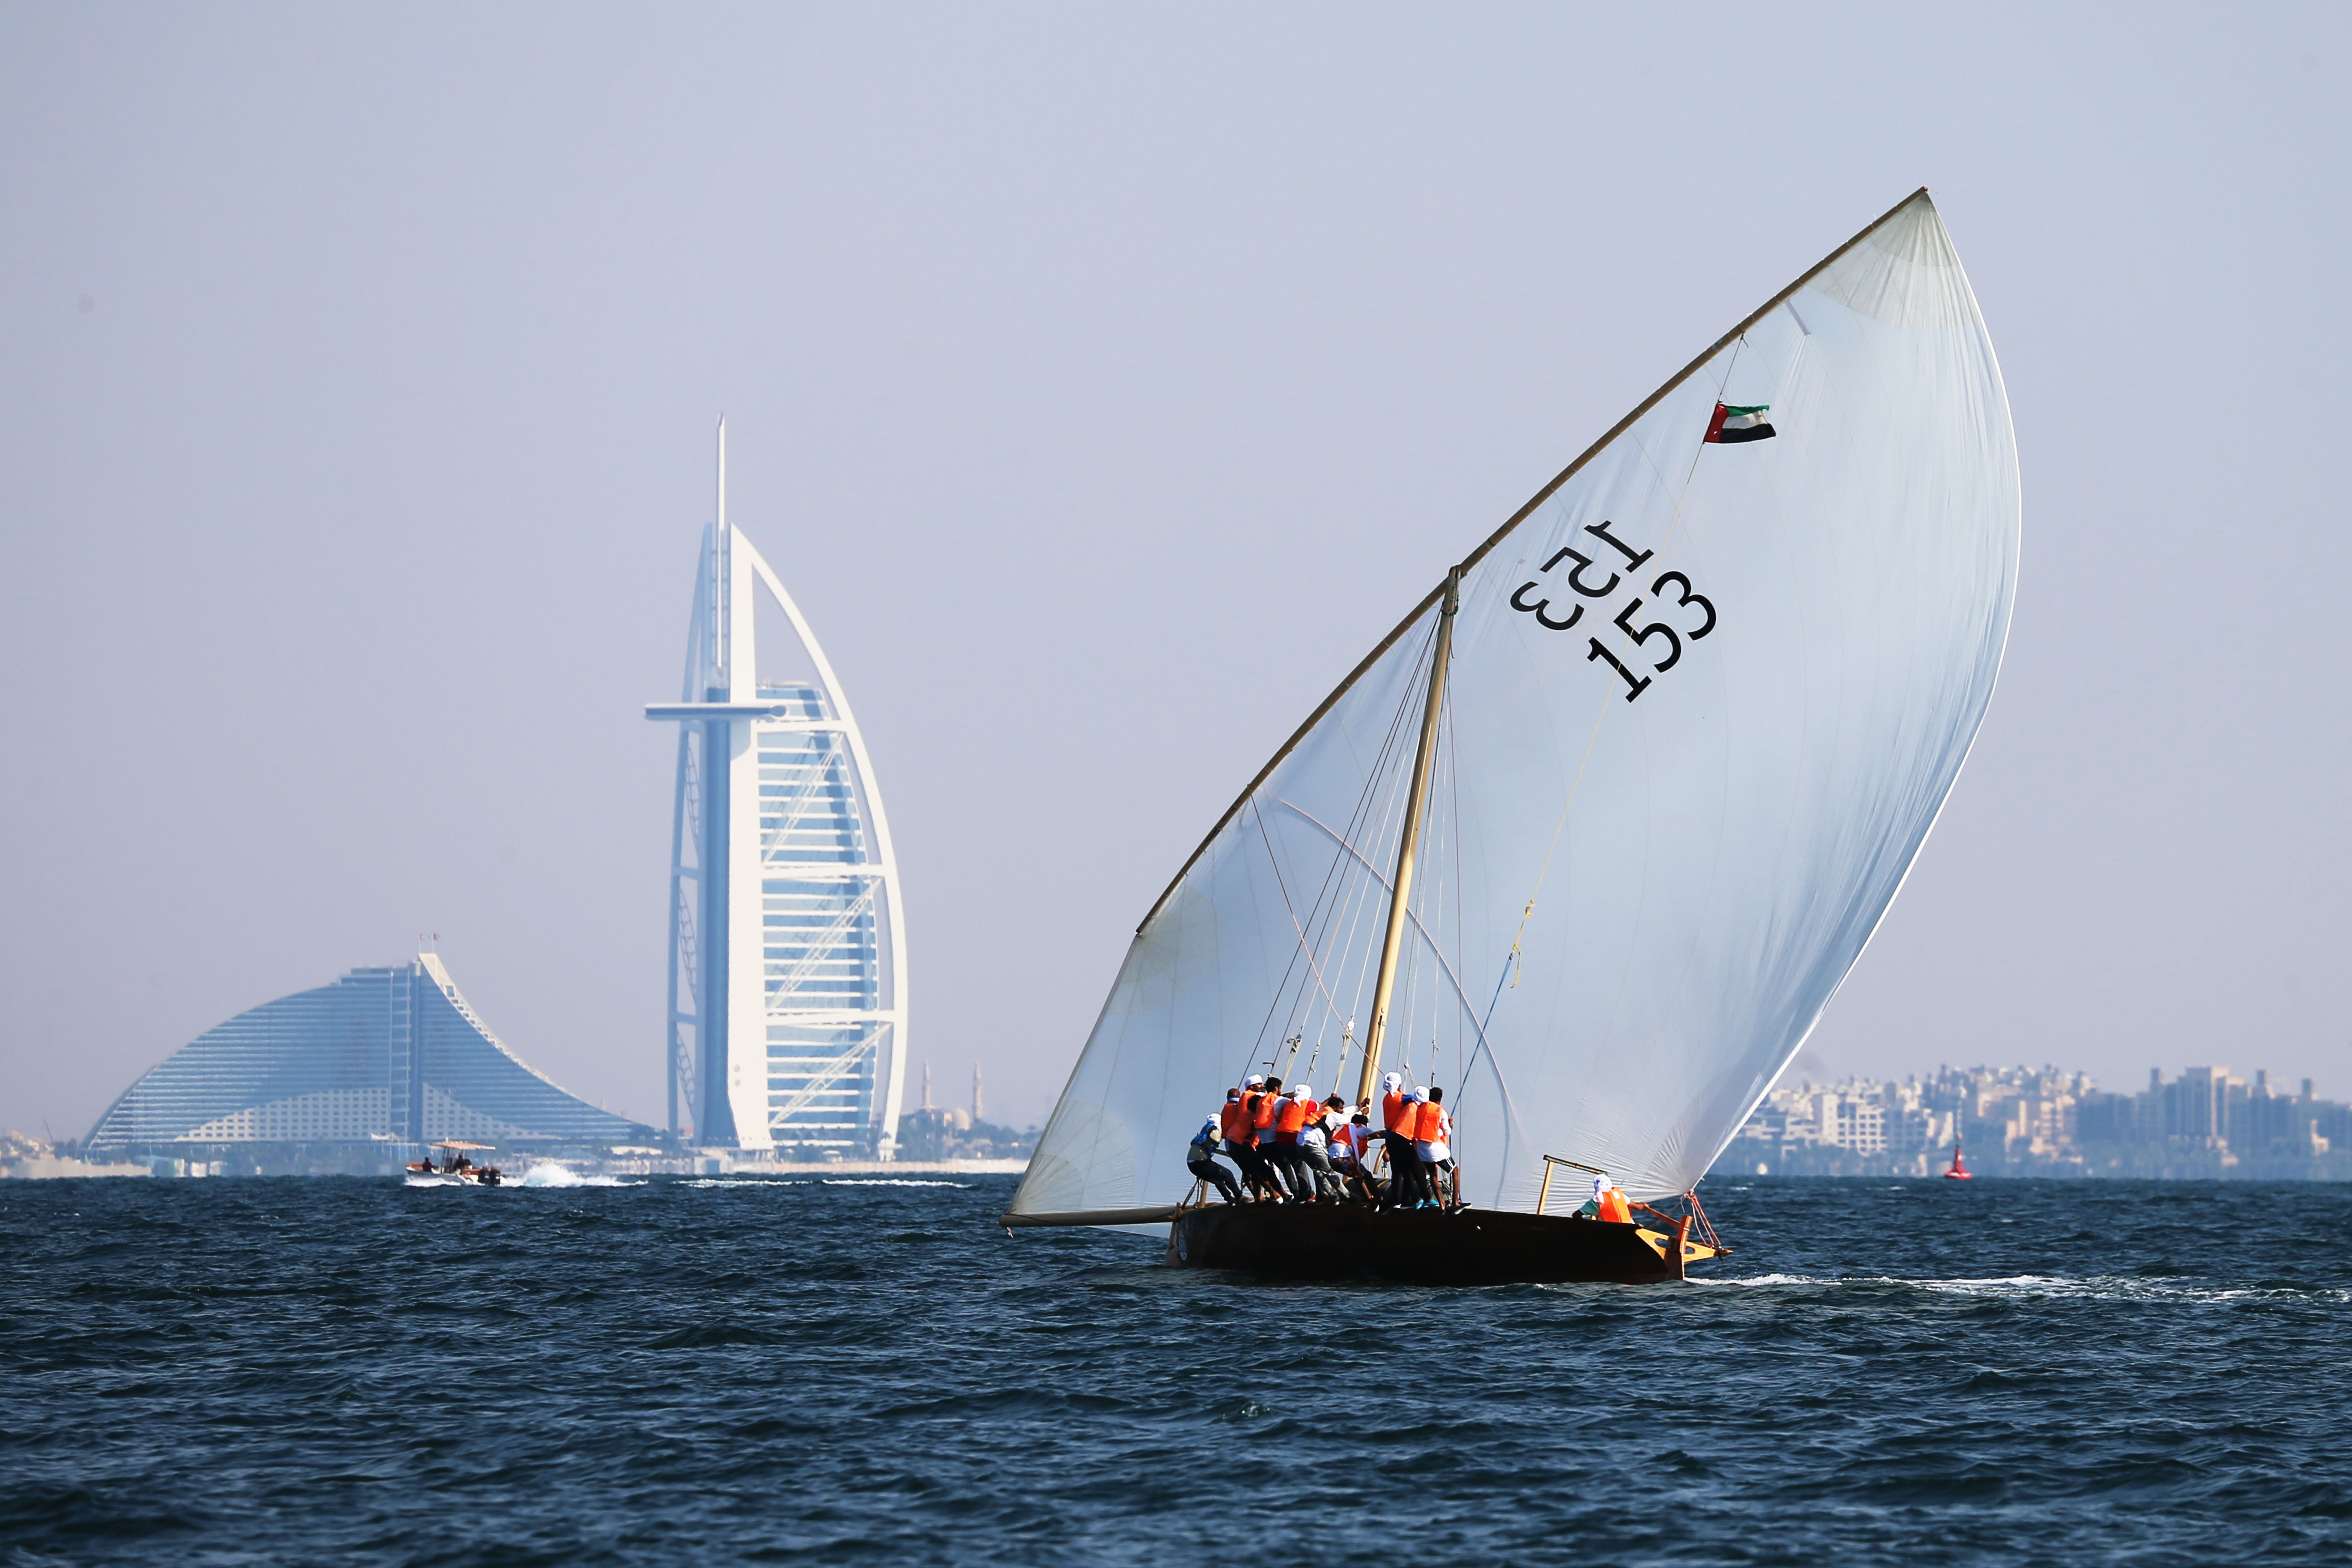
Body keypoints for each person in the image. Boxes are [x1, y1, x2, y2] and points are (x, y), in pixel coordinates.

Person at [1378, 1072, 1423, 1209]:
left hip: (1390, 1138)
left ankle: (1396, 1201)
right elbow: (1418, 1101)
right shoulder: (1402, 1098)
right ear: (1399, 1084)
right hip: (1401, 1137)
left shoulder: (1386, 1099)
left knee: (1397, 1171)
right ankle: (1409, 1199)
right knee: (1409, 1170)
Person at [1412, 1086, 1455, 1208]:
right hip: (1435, 1148)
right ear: (1440, 1100)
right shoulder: (1440, 1111)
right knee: (1454, 1171)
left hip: (1421, 1148)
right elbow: (1446, 1132)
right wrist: (1450, 1125)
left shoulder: (1419, 1109)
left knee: (1432, 1175)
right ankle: (1455, 1202)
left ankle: (1438, 1202)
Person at [1186, 1116, 1244, 1204]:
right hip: (1201, 1163)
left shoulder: (1206, 1129)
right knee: (1227, 1174)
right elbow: (1219, 1137)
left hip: (1192, 1164)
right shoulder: (1214, 1131)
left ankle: (1230, 1200)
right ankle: (1239, 1196)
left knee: (1218, 1180)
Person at [1329, 1111, 1382, 1202]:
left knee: (1358, 1175)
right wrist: (1392, 1134)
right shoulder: (1361, 1128)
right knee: (1367, 1176)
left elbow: (1364, 1138)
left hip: (1332, 1160)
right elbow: (1378, 1135)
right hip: (1343, 1158)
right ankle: (1379, 1201)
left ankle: (1369, 1199)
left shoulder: (1347, 1130)